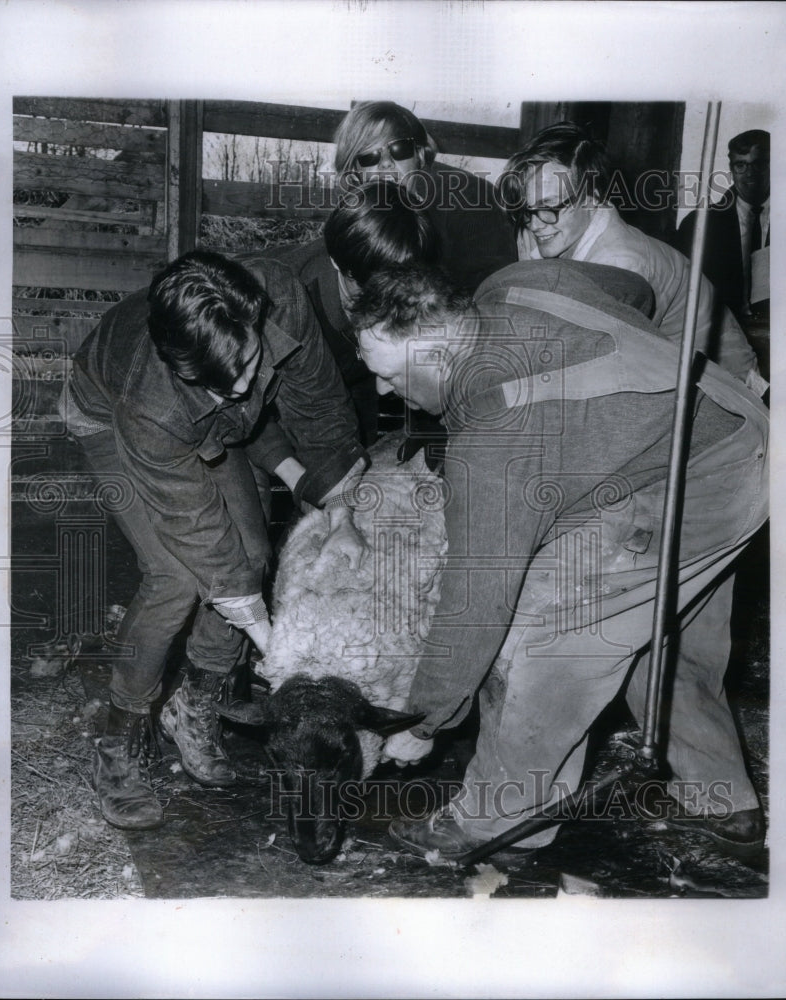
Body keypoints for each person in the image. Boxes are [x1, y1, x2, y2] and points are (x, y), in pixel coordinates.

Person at [348, 259, 769, 860]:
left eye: (390, 375)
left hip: (703, 482)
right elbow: (633, 290)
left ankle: (497, 820)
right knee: (656, 636)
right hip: (726, 420)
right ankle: (723, 798)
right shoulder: (510, 282)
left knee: (543, 640)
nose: (384, 391)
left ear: (439, 354)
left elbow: (478, 602)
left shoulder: (492, 443)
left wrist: (422, 722)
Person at [60, 250, 369, 830]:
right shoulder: (152, 405)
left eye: (252, 362)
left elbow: (319, 404)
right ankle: (116, 740)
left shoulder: (278, 295)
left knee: (252, 555)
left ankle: (194, 702)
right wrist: (273, 650)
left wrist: (342, 507)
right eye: (224, 381)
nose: (248, 385)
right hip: (107, 412)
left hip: (202, 420)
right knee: (176, 575)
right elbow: (197, 528)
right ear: (184, 368)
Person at [497, 122, 766, 396]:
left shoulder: (622, 265)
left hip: (723, 387)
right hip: (666, 371)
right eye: (526, 209)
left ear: (592, 198)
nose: (534, 224)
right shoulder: (554, 229)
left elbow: (589, 365)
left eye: (549, 207)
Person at [241, 178, 441, 447]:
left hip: (349, 382)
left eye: (397, 292)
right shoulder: (282, 304)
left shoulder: (412, 271)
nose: (383, 306)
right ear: (335, 261)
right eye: (369, 290)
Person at [332, 101, 518, 295]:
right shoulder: (358, 209)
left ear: (419, 154)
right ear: (354, 169)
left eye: (399, 149)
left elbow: (495, 287)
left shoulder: (470, 200)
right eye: (370, 156)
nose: (386, 163)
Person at [675, 129, 770, 332]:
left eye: (759, 164)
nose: (750, 173)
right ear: (731, 169)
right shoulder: (697, 227)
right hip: (722, 339)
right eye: (741, 165)